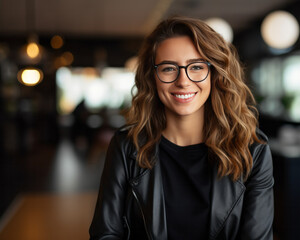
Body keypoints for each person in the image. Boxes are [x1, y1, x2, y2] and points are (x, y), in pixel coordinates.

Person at [89, 16, 274, 240]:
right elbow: (105, 234)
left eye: (196, 67)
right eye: (168, 69)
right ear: (152, 77)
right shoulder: (126, 146)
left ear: (215, 73)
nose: (183, 81)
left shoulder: (252, 151)